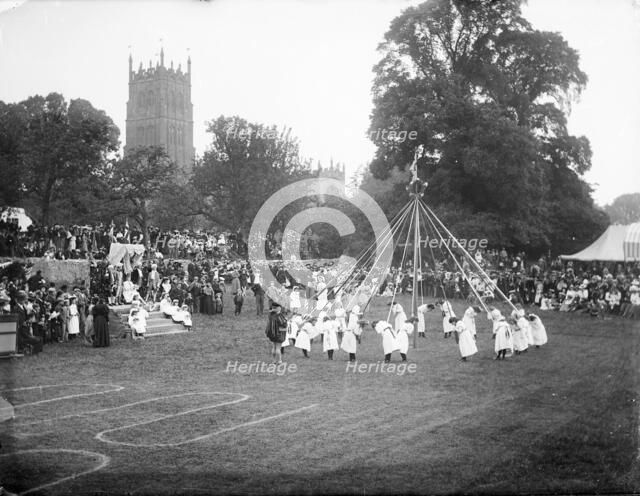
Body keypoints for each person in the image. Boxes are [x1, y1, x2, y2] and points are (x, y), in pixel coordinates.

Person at [13, 290, 43, 354]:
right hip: (21, 331)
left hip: (25, 329)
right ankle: (33, 352)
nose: (25, 301)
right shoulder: (16, 308)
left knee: (39, 338)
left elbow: (26, 317)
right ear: (21, 299)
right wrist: (23, 323)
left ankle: (36, 352)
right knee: (36, 339)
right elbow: (18, 320)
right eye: (24, 299)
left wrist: (32, 314)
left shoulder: (23, 307)